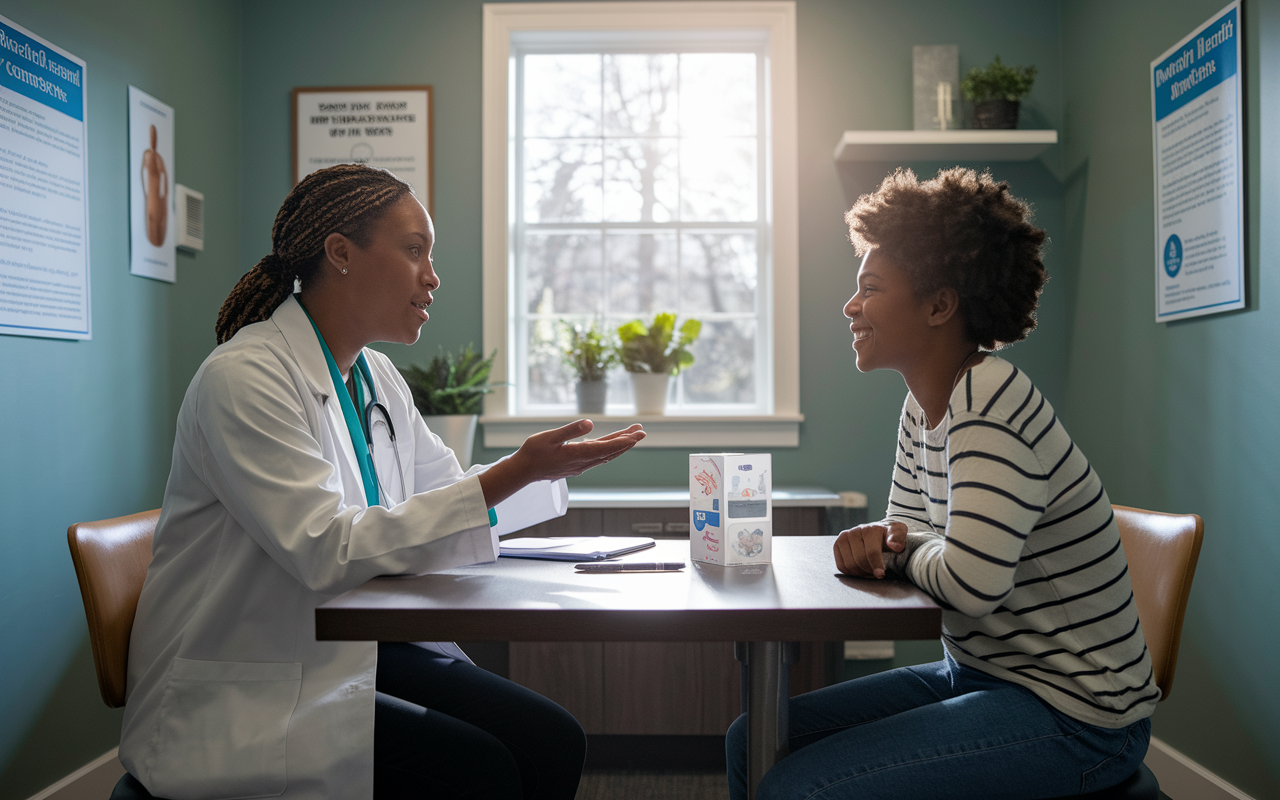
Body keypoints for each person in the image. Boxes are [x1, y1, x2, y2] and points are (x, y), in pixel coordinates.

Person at [118, 164, 646, 800]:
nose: (433, 276)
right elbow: (325, 549)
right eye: (414, 250)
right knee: (484, 770)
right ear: (340, 253)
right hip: (254, 682)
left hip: (346, 648)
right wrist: (512, 473)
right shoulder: (245, 378)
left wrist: (530, 476)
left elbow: (440, 497)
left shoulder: (375, 377)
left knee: (553, 738)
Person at [726, 168, 1157, 799]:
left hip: (1077, 715)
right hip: (979, 675)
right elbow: (907, 534)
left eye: (870, 289)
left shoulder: (990, 402)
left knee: (803, 787)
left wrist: (901, 547)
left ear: (938, 305)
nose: (850, 307)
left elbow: (970, 584)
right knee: (751, 741)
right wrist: (898, 544)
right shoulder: (923, 406)